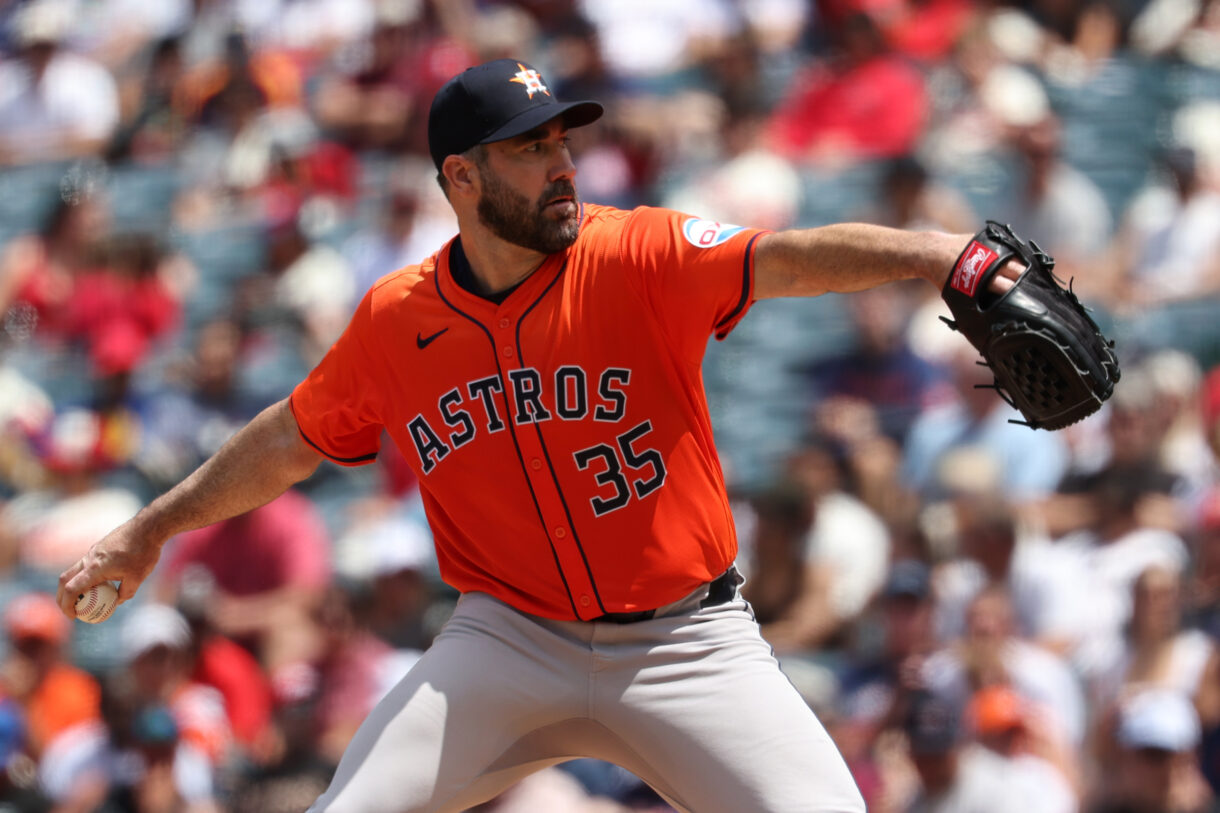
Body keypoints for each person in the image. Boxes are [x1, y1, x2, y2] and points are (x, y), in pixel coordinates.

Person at [57, 57, 1019, 812]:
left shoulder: (631, 251)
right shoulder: (397, 320)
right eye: (529, 148)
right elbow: (289, 438)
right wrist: (150, 527)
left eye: (562, 140)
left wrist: (937, 255)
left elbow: (787, 259)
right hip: (507, 641)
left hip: (686, 642)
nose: (563, 164)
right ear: (462, 176)